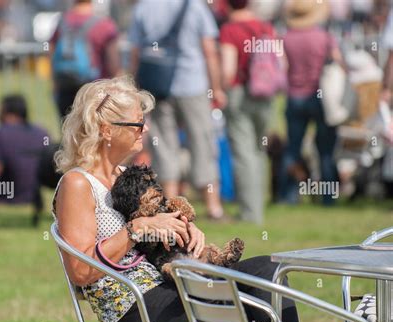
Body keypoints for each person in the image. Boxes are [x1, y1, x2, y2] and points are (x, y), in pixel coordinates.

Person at [52, 74, 347, 322]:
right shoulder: (76, 184)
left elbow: (160, 227)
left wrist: (186, 230)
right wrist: (136, 229)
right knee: (255, 301)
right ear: (106, 130)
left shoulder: (127, 178)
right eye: (137, 124)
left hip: (169, 285)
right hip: (132, 305)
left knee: (269, 271)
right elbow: (79, 270)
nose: (145, 130)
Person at [127, 0, 227, 221]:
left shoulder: (144, 7)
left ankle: (170, 208)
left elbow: (136, 51)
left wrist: (134, 86)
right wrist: (217, 87)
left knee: (163, 145)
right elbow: (209, 50)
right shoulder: (195, 6)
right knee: (203, 143)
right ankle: (213, 207)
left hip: (158, 85)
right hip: (193, 83)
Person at [219, 0, 278, 224]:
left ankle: (250, 213)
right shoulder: (265, 27)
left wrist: (221, 88)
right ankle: (258, 206)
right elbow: (280, 63)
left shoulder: (229, 30)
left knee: (243, 153)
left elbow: (228, 69)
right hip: (265, 95)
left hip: (240, 94)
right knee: (258, 151)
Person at [280, 0, 342, 205]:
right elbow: (338, 62)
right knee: (325, 150)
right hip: (321, 98)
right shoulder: (324, 37)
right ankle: (328, 198)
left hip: (294, 97)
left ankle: (288, 197)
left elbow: (282, 68)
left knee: (293, 149)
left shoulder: (286, 38)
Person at [50, 0, 121, 118]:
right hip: (94, 90)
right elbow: (113, 64)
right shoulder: (104, 25)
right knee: (92, 131)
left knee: (68, 129)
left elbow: (52, 50)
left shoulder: (62, 22)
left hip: (65, 87)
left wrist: (54, 82)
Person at [0, 95, 49, 205]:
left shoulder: (1, 134)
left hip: (5, 196)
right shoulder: (42, 133)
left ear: (7, 113)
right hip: (32, 197)